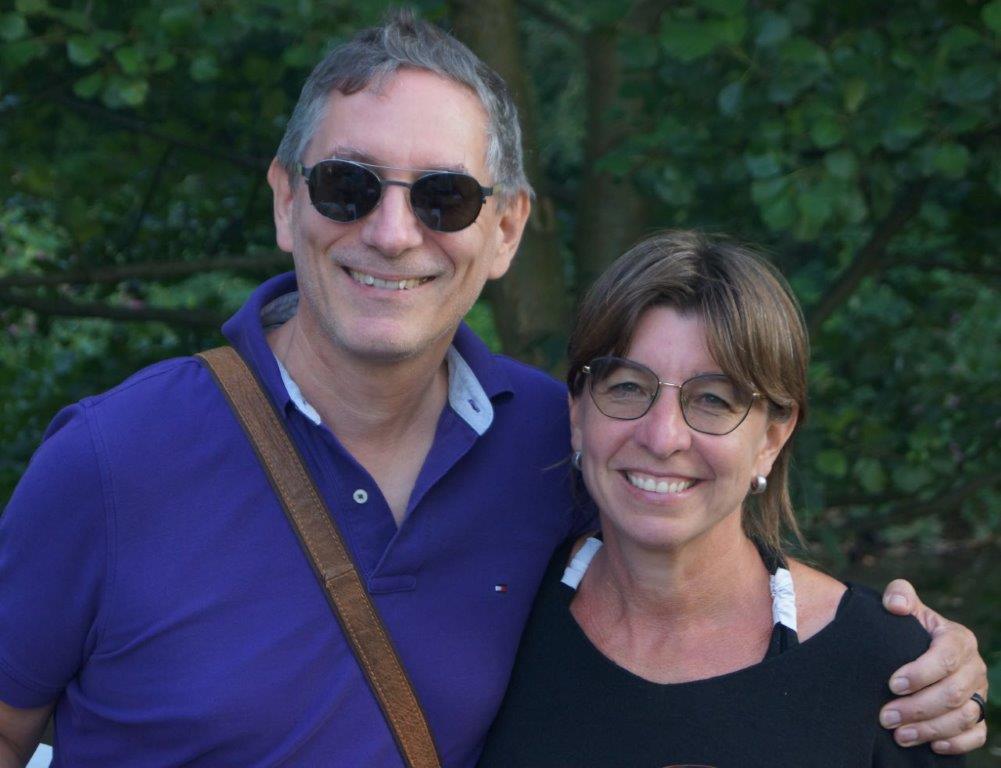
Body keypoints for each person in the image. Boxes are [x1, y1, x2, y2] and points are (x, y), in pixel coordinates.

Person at [0, 11, 987, 768]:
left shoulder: (553, 445)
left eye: (444, 197)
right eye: (348, 186)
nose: (393, 233)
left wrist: (910, 652)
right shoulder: (110, 461)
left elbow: (698, 526)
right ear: (285, 200)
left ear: (505, 229)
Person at [477, 231, 983, 766]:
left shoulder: (892, 676)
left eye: (713, 400)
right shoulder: (492, 616)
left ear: (772, 439)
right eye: (626, 387)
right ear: (577, 413)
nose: (663, 437)